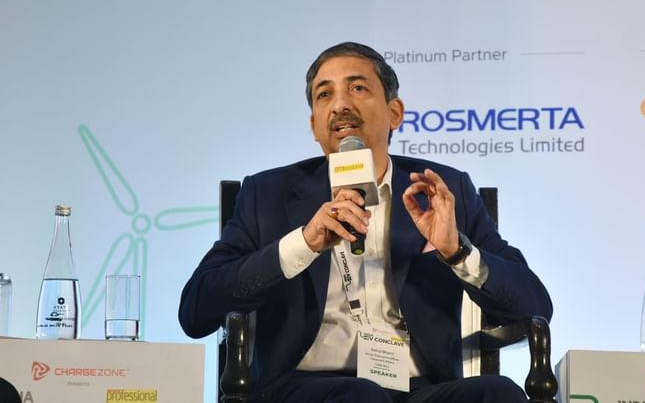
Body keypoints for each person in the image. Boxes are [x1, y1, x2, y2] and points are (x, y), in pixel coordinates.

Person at [178, 42, 552, 403]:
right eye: (325, 94)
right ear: (314, 125)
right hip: (302, 388)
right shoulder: (267, 194)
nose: (340, 104)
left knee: (498, 393)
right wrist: (303, 243)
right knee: (359, 395)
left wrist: (457, 252)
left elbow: (534, 306)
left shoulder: (442, 189)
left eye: (357, 88)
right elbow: (196, 310)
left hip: (421, 388)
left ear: (395, 113)